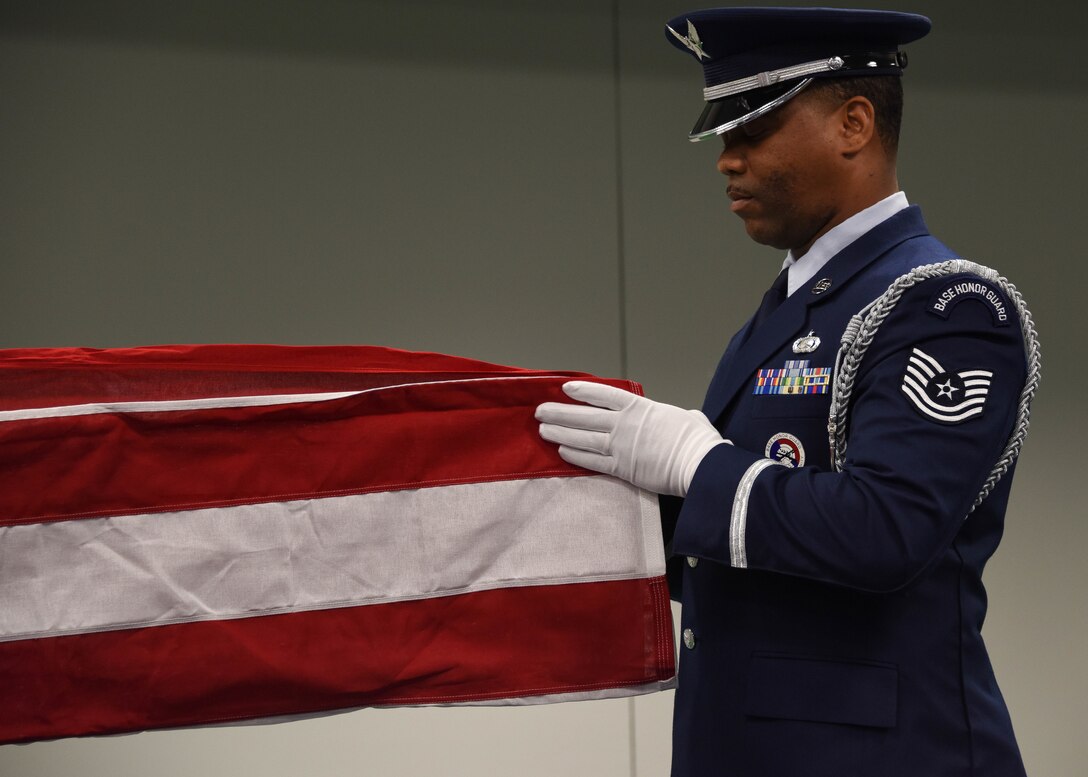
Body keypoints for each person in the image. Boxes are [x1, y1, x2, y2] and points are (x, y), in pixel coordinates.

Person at [535, 7, 1039, 776]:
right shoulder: (796, 304)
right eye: (722, 136)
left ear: (854, 123)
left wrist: (697, 466)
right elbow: (737, 560)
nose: (726, 161)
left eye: (752, 130)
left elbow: (885, 531)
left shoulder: (948, 305)